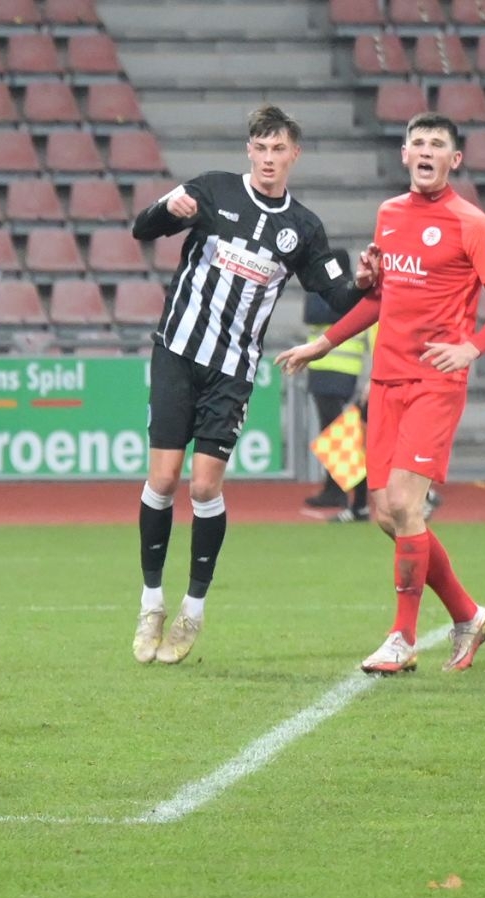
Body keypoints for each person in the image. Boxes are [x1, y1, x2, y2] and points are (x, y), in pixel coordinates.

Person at [276, 112, 485, 676]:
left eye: (439, 144)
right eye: (419, 143)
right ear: (406, 155)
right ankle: (469, 614)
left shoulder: (472, 224)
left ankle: (401, 639)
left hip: (436, 380)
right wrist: (324, 342)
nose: (427, 150)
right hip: (385, 380)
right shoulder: (388, 215)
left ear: (454, 160)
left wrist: (471, 348)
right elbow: (382, 299)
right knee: (387, 515)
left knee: (407, 506)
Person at [129, 104, 365, 665]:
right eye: (260, 148)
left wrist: (367, 282)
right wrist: (167, 208)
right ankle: (151, 602)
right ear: (248, 152)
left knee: (205, 489)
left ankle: (193, 611)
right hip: (177, 352)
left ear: (294, 155)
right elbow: (143, 229)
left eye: (278, 149)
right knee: (162, 479)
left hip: (232, 370)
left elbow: (341, 300)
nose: (268, 159)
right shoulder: (210, 191)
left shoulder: (303, 228)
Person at [298, 291, 370, 518]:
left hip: (339, 370)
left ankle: (356, 497)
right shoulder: (349, 293)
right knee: (333, 432)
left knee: (340, 434)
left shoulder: (349, 291)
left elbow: (315, 313)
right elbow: (313, 314)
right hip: (326, 369)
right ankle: (340, 490)